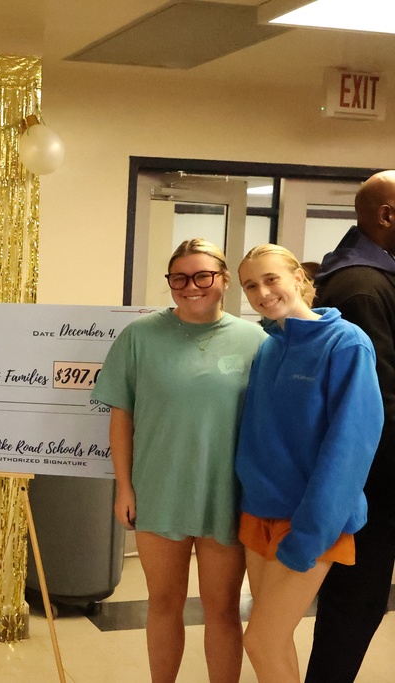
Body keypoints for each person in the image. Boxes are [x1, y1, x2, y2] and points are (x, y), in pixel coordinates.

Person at [90, 238, 266, 683]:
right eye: (179, 278)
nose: (191, 286)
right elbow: (121, 417)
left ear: (224, 280)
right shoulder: (139, 336)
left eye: (203, 276)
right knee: (163, 603)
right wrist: (124, 487)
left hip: (226, 495)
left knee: (222, 609)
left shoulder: (256, 341)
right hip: (157, 491)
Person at [235, 244, 382, 682]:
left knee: (259, 641)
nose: (262, 292)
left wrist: (311, 532)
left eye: (271, 278)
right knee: (273, 640)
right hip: (259, 513)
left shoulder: (347, 343)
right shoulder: (269, 347)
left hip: (311, 522)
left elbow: (351, 446)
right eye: (250, 285)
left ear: (299, 277)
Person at [306, 170, 395, 682]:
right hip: (371, 480)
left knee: (355, 604)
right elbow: (378, 401)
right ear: (386, 215)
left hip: (368, 475)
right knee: (354, 605)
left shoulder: (364, 276)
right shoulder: (361, 287)